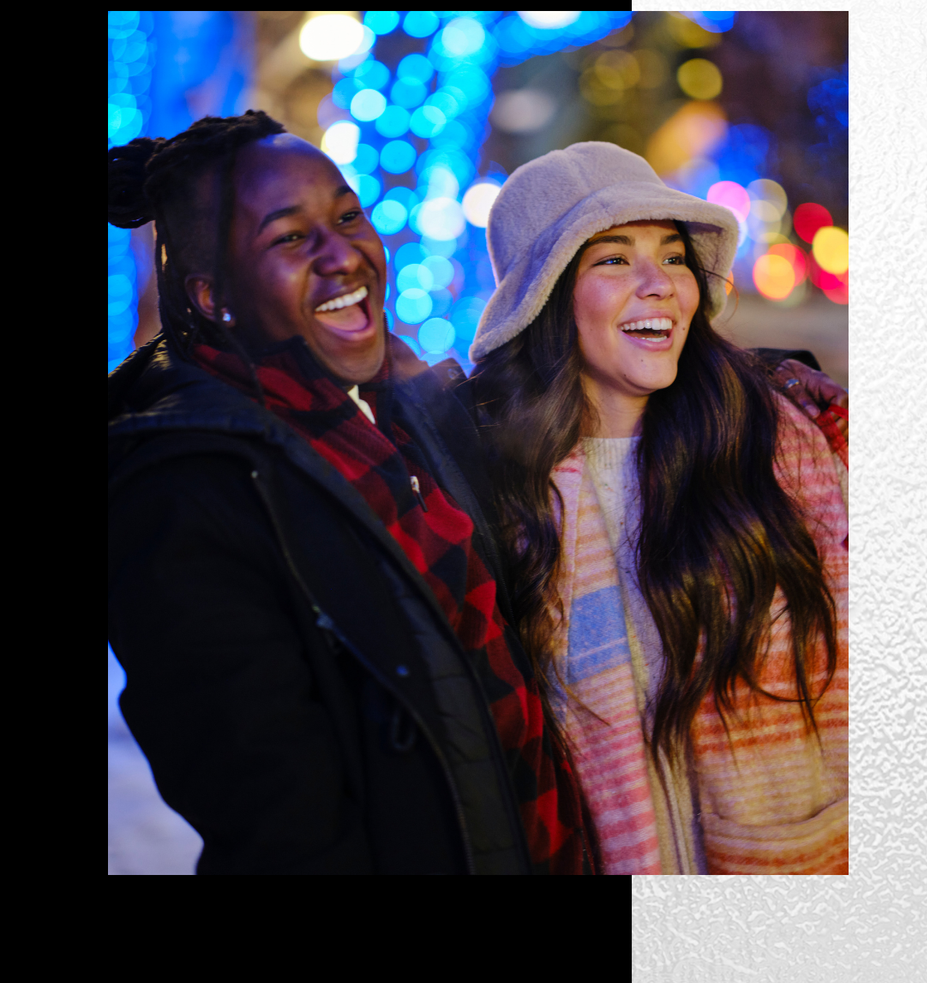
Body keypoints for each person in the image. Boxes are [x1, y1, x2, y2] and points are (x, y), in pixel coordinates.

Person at [107, 111, 594, 873]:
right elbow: (282, 831)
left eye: (346, 215)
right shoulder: (186, 496)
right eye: (291, 238)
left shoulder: (400, 412)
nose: (345, 254)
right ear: (212, 297)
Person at [469, 142, 848, 874]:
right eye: (612, 259)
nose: (659, 285)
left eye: (673, 257)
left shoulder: (778, 445)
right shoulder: (494, 497)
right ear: (545, 298)